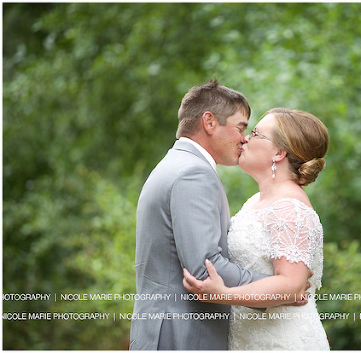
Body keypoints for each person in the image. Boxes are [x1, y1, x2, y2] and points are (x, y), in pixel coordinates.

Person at [130, 81, 308, 350]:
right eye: (241, 127)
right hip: (183, 336)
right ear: (210, 122)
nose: (244, 138)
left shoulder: (174, 165)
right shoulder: (193, 174)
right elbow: (205, 269)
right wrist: (282, 289)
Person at [182, 107, 331, 350]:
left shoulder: (290, 208)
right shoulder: (255, 202)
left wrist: (223, 295)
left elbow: (292, 286)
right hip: (247, 339)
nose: (244, 139)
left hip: (282, 341)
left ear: (279, 153)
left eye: (255, 133)